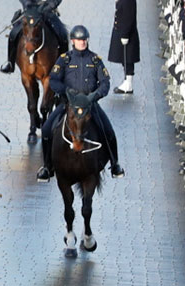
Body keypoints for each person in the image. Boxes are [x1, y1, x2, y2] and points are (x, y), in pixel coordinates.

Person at [36, 26, 123, 180]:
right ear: (72, 41)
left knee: (109, 131)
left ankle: (115, 164)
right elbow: (53, 80)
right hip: (68, 105)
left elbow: (105, 82)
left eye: (84, 40)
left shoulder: (95, 60)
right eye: (79, 40)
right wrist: (66, 91)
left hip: (90, 105)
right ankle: (47, 167)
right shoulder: (64, 59)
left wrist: (95, 95)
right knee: (47, 129)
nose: (82, 43)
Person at [108, 0, 139, 94]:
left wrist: (125, 35)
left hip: (127, 34)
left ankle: (128, 83)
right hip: (122, 32)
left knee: (127, 58)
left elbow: (128, 17)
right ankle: (127, 81)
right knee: (124, 58)